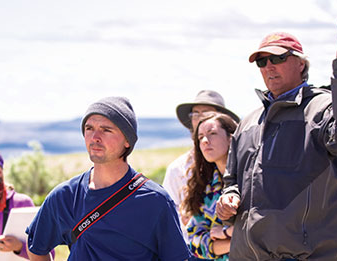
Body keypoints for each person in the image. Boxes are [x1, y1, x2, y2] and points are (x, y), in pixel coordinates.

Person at [215, 16, 337, 260]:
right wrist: (229, 197)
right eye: (262, 61)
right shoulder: (248, 123)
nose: (269, 66)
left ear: (301, 64)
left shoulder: (321, 109)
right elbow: (232, 180)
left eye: (278, 58)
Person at [26, 97, 191, 260]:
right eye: (89, 128)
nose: (95, 137)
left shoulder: (156, 201)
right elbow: (36, 246)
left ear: (127, 140)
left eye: (106, 130)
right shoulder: (65, 195)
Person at [162, 90, 239, 232]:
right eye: (195, 114)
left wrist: (223, 234)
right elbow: (174, 222)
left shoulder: (245, 173)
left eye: (206, 113)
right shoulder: (178, 168)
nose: (199, 118)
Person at [183, 112, 237, 260]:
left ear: (231, 138)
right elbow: (193, 241)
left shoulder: (251, 180)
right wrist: (233, 241)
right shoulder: (204, 187)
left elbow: (262, 229)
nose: (205, 141)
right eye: (200, 137)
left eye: (212, 133)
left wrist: (224, 233)